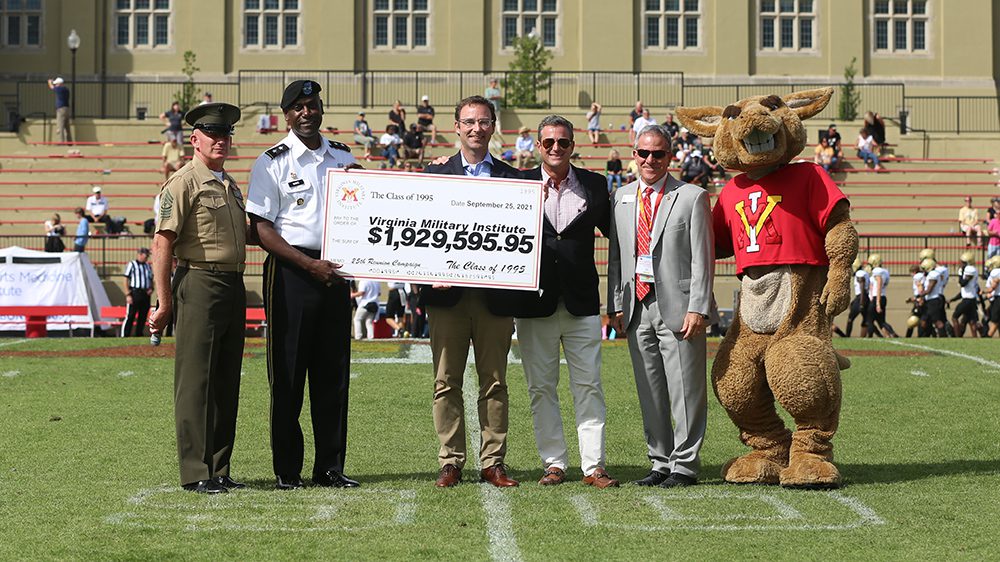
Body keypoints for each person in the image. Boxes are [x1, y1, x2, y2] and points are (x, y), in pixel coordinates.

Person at [246, 79, 359, 491]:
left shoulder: (343, 157)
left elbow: (370, 206)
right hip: (291, 272)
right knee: (289, 376)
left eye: (312, 105)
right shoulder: (271, 162)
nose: (307, 113)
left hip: (335, 273)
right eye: (298, 107)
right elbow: (261, 229)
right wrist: (309, 265)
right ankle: (288, 471)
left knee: (333, 375)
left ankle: (330, 467)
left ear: (321, 109)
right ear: (286, 115)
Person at [509, 115, 617, 488]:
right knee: (542, 388)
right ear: (538, 146)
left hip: (582, 301)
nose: (556, 148)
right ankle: (553, 462)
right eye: (549, 142)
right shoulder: (517, 183)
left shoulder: (594, 184)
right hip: (533, 303)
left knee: (588, 385)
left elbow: (617, 238)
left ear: (574, 145)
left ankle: (594, 466)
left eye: (563, 142)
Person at [420, 95, 522, 488]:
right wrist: (430, 272)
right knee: (446, 380)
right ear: (456, 127)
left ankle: (493, 460)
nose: (476, 128)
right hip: (448, 296)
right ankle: (451, 460)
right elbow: (418, 236)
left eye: (484, 121)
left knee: (494, 379)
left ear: (493, 126)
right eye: (469, 122)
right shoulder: (434, 174)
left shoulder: (515, 179)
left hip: (495, 296)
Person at [606, 124, 716, 488]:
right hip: (636, 305)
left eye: (658, 154)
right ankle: (659, 461)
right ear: (633, 154)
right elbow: (617, 257)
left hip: (679, 306)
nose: (650, 160)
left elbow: (703, 258)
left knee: (685, 389)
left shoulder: (692, 197)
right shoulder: (621, 197)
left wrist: (698, 307)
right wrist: (616, 303)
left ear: (670, 156)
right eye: (643, 153)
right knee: (649, 389)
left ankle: (684, 464)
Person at [148, 102, 246, 494]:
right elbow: (162, 243)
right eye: (213, 135)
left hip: (232, 285)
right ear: (195, 139)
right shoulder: (183, 183)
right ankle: (195, 471)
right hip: (200, 284)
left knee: (226, 382)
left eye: (226, 135)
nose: (221, 141)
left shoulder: (229, 183)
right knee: (196, 382)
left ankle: (219, 467)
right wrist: (164, 301)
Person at [121, 247, 153, 337]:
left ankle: (139, 334)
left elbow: (151, 279)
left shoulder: (148, 266)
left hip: (145, 293)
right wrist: (128, 294)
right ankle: (125, 335)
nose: (147, 257)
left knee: (143, 316)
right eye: (146, 255)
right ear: (140, 254)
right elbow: (125, 279)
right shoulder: (132, 264)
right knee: (130, 315)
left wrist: (151, 288)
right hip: (135, 292)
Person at [865, 254, 897, 337]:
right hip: (882, 296)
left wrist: (877, 303)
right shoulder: (884, 271)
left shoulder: (877, 271)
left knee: (869, 320)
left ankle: (870, 337)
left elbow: (878, 286)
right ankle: (888, 335)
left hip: (878, 297)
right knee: (881, 321)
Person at [951, 252, 981, 337]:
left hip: (968, 299)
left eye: (962, 262)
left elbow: (963, 283)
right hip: (971, 298)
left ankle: (957, 338)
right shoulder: (968, 269)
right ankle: (975, 339)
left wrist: (960, 274)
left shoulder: (970, 269)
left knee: (954, 317)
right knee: (971, 321)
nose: (960, 263)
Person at [918, 258, 948, 337]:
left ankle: (944, 338)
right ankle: (924, 337)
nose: (923, 270)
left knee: (937, 322)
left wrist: (920, 295)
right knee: (924, 320)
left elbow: (929, 290)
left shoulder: (933, 274)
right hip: (929, 300)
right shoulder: (930, 274)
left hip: (933, 300)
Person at [843, 257, 869, 337]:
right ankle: (863, 338)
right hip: (865, 297)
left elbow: (862, 287)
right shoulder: (864, 273)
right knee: (865, 319)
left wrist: (861, 303)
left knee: (851, 318)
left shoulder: (859, 274)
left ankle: (847, 336)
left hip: (861, 297)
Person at [47, 77, 72, 143]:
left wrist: (50, 82)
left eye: (57, 84)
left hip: (61, 109)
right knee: (67, 126)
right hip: (66, 108)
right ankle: (69, 142)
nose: (56, 85)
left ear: (60, 84)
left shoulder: (59, 89)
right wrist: (53, 82)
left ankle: (61, 142)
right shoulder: (66, 89)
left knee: (60, 126)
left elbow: (51, 87)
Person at [984, 255, 1000, 337]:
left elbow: (993, 287)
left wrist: (983, 292)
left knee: (995, 320)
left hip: (998, 298)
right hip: (997, 298)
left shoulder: (996, 272)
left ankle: (988, 337)